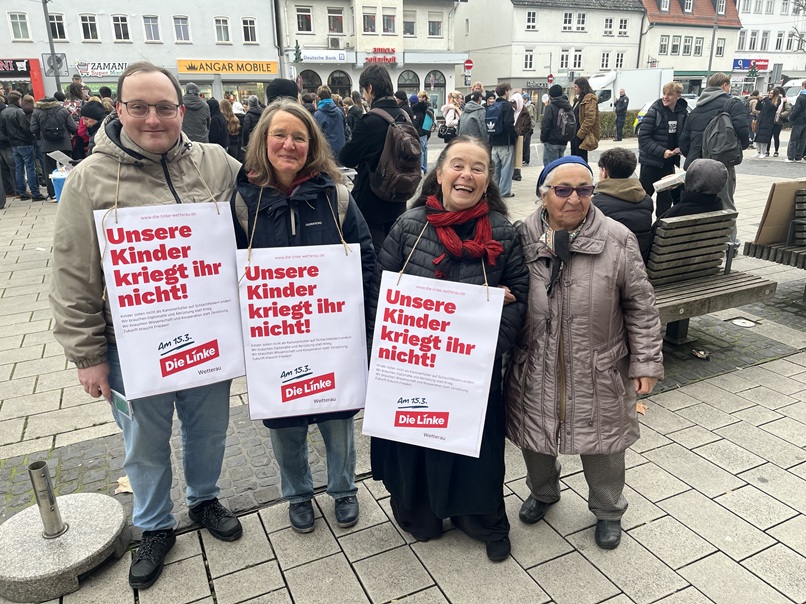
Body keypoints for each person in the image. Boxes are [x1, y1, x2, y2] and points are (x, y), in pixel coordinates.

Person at [48, 61, 243, 590]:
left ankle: (204, 499)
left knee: (209, 431)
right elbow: (71, 273)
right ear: (119, 110)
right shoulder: (90, 180)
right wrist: (87, 355)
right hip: (132, 346)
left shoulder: (215, 164)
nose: (152, 118)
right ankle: (155, 526)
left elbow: (262, 204)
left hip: (207, 337)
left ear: (182, 110)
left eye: (164, 107)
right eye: (139, 107)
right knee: (144, 442)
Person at [369, 135, 528, 562]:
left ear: (487, 179)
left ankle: (479, 517)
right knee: (417, 439)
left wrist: (489, 345)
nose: (467, 174)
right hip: (415, 368)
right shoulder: (410, 226)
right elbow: (380, 294)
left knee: (477, 448)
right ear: (438, 174)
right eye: (457, 165)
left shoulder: (501, 232)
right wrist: (380, 352)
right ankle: (421, 512)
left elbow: (521, 297)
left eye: (478, 168)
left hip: (474, 372)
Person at [231, 98, 375, 535]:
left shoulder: (338, 197)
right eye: (280, 135)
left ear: (312, 145)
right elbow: (225, 271)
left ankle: (344, 488)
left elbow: (365, 258)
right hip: (276, 336)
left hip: (333, 334)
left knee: (337, 417)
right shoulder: (240, 202)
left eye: (299, 136)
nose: (289, 144)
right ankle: (297, 494)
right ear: (263, 141)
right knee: (284, 421)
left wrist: (366, 325)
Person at [506, 156, 664, 551]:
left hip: (599, 364)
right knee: (536, 439)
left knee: (603, 445)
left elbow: (641, 305)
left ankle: (609, 510)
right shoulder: (522, 235)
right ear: (544, 195)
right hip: (536, 362)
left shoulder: (618, 238)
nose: (574, 198)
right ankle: (543, 493)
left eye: (584, 189)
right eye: (563, 190)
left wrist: (645, 361)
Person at [339, 64, 411, 251]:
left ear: (370, 88)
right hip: (399, 194)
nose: (364, 95)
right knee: (394, 251)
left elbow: (346, 157)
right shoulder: (405, 116)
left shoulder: (369, 121)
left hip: (372, 198)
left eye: (364, 90)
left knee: (374, 254)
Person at [679, 72, 749, 244]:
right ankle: (728, 243)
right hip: (720, 163)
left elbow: (683, 141)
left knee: (697, 204)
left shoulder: (696, 108)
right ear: (725, 85)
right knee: (725, 203)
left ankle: (701, 244)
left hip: (696, 166)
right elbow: (743, 133)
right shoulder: (732, 104)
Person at [593, 148, 653, 264]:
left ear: (604, 172)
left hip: (610, 266)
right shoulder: (646, 200)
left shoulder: (596, 204)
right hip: (640, 262)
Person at [638, 81, 688, 217]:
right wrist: (662, 151)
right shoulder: (655, 112)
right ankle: (643, 225)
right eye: (664, 94)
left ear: (678, 96)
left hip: (669, 163)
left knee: (666, 200)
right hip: (651, 163)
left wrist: (682, 148)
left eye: (669, 95)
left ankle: (661, 227)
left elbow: (684, 135)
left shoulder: (682, 113)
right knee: (644, 198)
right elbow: (643, 138)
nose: (665, 97)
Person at [0, 91, 46, 201]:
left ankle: (21, 192)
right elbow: (26, 127)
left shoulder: (4, 112)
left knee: (18, 168)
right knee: (30, 168)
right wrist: (32, 137)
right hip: (24, 143)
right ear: (17, 100)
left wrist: (10, 137)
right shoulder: (18, 112)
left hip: (13, 143)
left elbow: (3, 129)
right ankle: (35, 193)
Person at [31, 95, 77, 199]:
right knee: (67, 167)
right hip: (64, 143)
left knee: (49, 170)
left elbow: (33, 129)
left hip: (47, 145)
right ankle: (70, 190)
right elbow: (73, 127)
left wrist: (41, 136)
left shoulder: (37, 112)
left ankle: (52, 193)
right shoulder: (63, 111)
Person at [654, 159, 727, 223]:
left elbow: (654, 231)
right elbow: (691, 202)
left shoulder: (677, 212)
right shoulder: (717, 204)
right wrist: (677, 190)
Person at [489, 82, 517, 198]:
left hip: (494, 142)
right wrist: (515, 135)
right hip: (506, 141)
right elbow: (508, 123)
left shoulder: (492, 106)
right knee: (506, 169)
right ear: (506, 92)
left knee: (495, 169)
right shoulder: (507, 106)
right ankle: (505, 191)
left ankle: (494, 191)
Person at [541, 84, 571, 167]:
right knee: (560, 166)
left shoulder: (550, 107)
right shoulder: (567, 106)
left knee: (551, 167)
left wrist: (543, 138)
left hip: (551, 141)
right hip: (563, 140)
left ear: (550, 96)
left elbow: (546, 124)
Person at [570, 77, 600, 161]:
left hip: (581, 134)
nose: (574, 89)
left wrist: (580, 134)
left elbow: (590, 118)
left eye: (576, 87)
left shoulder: (589, 98)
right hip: (575, 133)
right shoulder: (578, 99)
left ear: (581, 87)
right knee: (574, 158)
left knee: (580, 158)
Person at [314, 84, 347, 157]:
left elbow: (316, 135)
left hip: (326, 151)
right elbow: (344, 130)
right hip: (341, 149)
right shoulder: (339, 112)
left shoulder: (318, 114)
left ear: (318, 98)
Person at [753, 88, 783, 159]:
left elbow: (772, 107)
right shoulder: (766, 101)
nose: (770, 94)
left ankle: (764, 152)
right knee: (758, 137)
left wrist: (765, 99)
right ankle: (758, 151)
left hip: (768, 121)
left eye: (772, 93)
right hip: (761, 120)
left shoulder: (777, 101)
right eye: (770, 93)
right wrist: (759, 101)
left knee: (764, 138)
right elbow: (758, 108)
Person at [411, 92, 434, 173]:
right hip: (425, 131)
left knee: (421, 151)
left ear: (424, 97)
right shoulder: (428, 107)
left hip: (420, 132)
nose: (419, 98)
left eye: (420, 97)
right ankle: (425, 168)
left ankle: (421, 169)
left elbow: (416, 123)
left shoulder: (418, 108)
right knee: (424, 150)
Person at [786, 81, 806, 163]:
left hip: (799, 120)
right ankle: (798, 157)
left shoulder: (801, 97)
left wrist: (790, 118)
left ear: (803, 86)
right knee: (803, 140)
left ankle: (791, 157)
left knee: (793, 139)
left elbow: (796, 109)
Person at [512, 93, 529, 182]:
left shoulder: (524, 112)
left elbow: (527, 125)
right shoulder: (512, 111)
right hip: (512, 136)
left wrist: (520, 132)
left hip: (519, 136)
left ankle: (517, 174)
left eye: (515, 103)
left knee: (518, 155)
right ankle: (513, 173)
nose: (514, 106)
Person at [522, 93, 537, 165]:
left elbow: (528, 116)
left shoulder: (530, 106)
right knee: (524, 143)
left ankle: (526, 159)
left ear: (526, 99)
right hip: (525, 127)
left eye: (523, 99)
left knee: (526, 143)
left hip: (529, 127)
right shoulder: (526, 106)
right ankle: (524, 158)